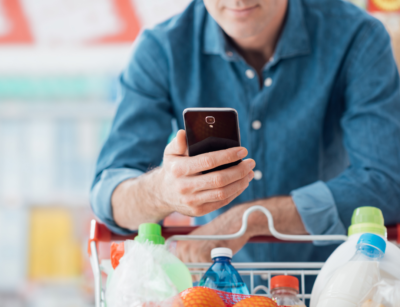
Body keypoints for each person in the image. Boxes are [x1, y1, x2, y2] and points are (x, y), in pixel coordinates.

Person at [91, 0, 400, 290]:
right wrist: (162, 190)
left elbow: (387, 182)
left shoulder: (357, 36)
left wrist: (249, 219)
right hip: (214, 294)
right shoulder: (162, 49)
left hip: (336, 287)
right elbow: (109, 196)